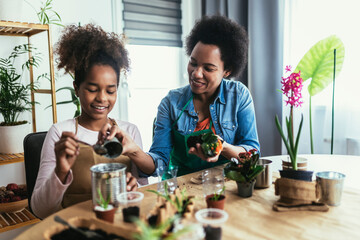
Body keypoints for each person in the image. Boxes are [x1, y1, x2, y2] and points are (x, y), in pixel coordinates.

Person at [99, 15, 260, 178]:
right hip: (181, 190)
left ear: (227, 71)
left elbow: (253, 154)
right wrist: (133, 150)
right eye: (193, 63)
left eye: (208, 68)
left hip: (225, 186)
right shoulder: (171, 103)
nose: (196, 74)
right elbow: (159, 163)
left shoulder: (239, 95)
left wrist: (223, 147)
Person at [31, 24, 143, 219]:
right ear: (76, 88)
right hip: (74, 229)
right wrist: (61, 170)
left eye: (110, 90)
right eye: (92, 89)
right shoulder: (59, 132)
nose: (102, 98)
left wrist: (135, 189)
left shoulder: (129, 132)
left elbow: (143, 193)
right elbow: (40, 210)